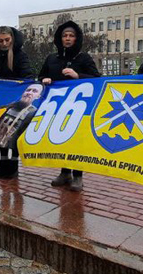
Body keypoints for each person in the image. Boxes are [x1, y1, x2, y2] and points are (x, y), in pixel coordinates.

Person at [39, 21, 100, 191]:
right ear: (60, 38)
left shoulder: (84, 58)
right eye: (65, 35)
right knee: (61, 139)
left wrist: (77, 75)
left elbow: (97, 79)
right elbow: (41, 76)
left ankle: (78, 176)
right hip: (58, 108)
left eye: (71, 35)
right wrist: (45, 80)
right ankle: (65, 172)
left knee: (76, 141)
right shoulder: (52, 58)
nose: (67, 38)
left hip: (79, 108)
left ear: (76, 38)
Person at [0, 26, 36, 178]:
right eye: (0, 41)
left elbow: (28, 76)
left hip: (18, 102)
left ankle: (13, 164)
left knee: (15, 133)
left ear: (12, 39)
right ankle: (3, 163)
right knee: (1, 131)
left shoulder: (21, 56)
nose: (4, 44)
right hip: (2, 101)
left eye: (7, 40)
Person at [0, 84, 43, 179]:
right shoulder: (11, 107)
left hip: (16, 142)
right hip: (1, 140)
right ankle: (3, 164)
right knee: (2, 145)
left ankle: (14, 167)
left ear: (38, 96)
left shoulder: (33, 112)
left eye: (34, 91)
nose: (29, 93)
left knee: (17, 141)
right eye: (28, 90)